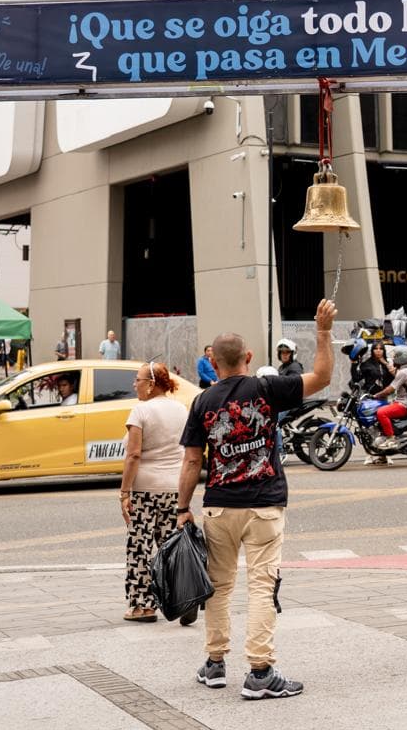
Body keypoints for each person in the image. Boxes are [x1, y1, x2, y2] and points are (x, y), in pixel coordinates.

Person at [177, 298, 337, 700]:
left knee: (218, 586)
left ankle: (214, 664)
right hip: (264, 504)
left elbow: (192, 461)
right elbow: (321, 377)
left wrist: (182, 509)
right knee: (262, 587)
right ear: (248, 357)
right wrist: (322, 332)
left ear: (213, 363)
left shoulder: (202, 402)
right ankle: (260, 671)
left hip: (218, 505)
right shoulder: (266, 389)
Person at [119, 362, 192, 624]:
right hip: (174, 488)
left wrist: (124, 492)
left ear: (151, 384)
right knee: (169, 547)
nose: (134, 384)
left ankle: (142, 607)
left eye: (137, 380)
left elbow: (134, 454)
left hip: (145, 490)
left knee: (140, 547)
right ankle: (182, 599)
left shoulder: (141, 411)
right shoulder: (181, 409)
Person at [370, 345, 407, 450]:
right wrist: (385, 363)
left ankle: (391, 438)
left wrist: (376, 395)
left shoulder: (404, 372)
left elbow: (391, 389)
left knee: (381, 412)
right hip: (403, 402)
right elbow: (394, 374)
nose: (393, 359)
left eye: (395, 356)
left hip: (405, 405)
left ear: (401, 358)